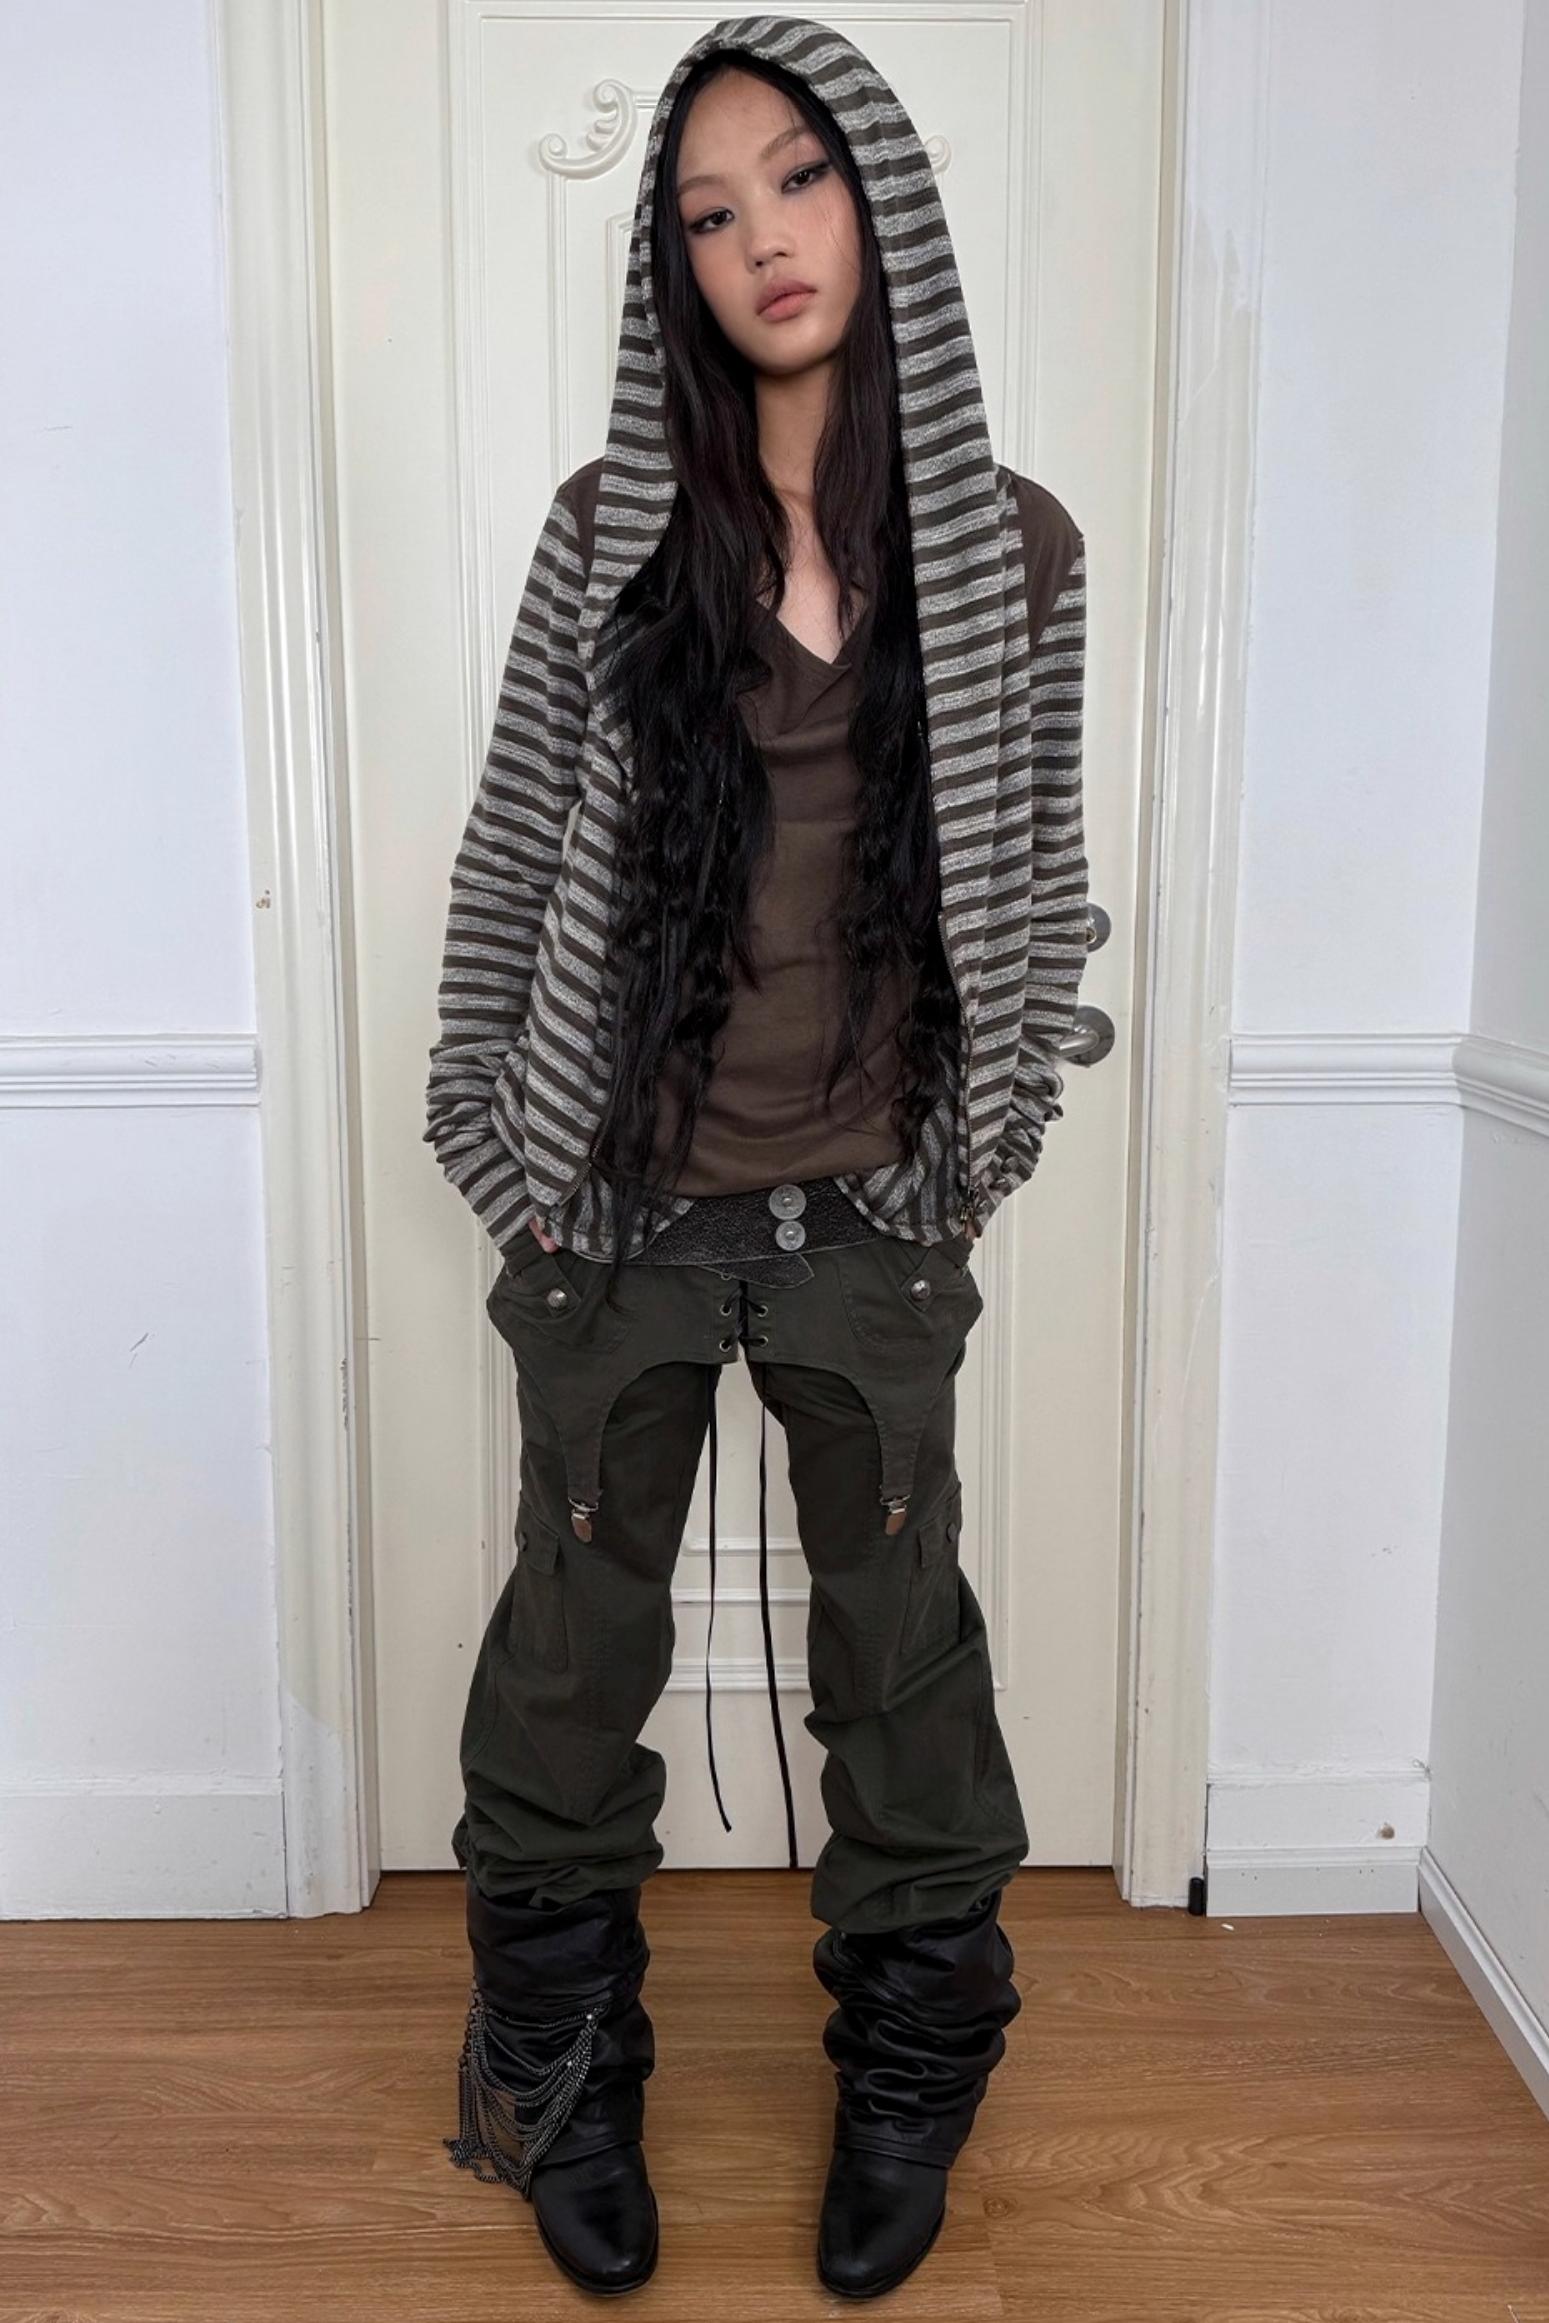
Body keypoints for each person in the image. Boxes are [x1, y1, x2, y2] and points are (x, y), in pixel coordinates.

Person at [424, 12, 1089, 2299]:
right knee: (567, 1659)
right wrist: (489, 1129)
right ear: (674, 269)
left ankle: (909, 2071)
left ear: (878, 195)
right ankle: (560, 2070)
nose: (760, 239)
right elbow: (512, 850)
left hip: (870, 1213)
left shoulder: (1011, 551)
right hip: (613, 1209)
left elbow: (1035, 882)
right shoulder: (609, 536)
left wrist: (983, 1145)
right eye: (707, 211)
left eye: (795, 179)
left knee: (904, 1664)